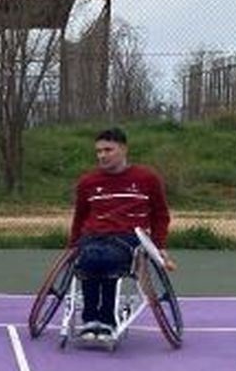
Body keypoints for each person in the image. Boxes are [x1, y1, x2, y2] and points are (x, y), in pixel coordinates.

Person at [66, 127, 172, 340]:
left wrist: (158, 246)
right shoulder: (87, 182)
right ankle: (91, 319)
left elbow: (161, 215)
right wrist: (72, 247)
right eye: (98, 151)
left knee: (107, 259)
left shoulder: (147, 178)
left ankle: (106, 319)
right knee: (89, 257)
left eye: (108, 150)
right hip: (93, 236)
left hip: (128, 237)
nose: (102, 155)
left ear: (123, 149)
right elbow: (79, 218)